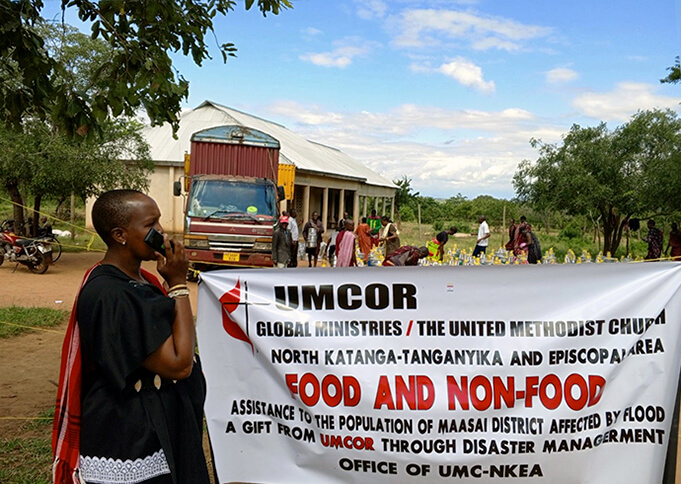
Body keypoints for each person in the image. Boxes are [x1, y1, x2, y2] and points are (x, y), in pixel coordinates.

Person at [52, 189, 210, 484]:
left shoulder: (141, 281)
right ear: (120, 235)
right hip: (130, 437)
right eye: (151, 225)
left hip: (156, 424)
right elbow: (179, 363)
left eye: (159, 222)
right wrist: (177, 285)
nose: (161, 232)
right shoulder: (111, 294)